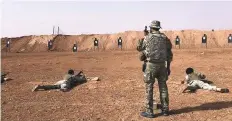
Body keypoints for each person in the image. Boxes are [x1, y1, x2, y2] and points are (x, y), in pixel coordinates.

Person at [137, 20, 173, 118]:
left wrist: (144, 36)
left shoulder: (147, 38)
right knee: (163, 88)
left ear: (151, 28)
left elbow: (139, 48)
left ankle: (150, 112)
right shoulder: (165, 38)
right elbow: (169, 53)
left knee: (149, 88)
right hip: (162, 66)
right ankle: (165, 110)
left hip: (151, 66)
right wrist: (168, 67)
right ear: (158, 28)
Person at [32, 69, 99, 92]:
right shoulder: (74, 78)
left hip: (63, 82)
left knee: (53, 86)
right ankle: (61, 89)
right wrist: (83, 76)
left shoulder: (67, 75)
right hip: (66, 85)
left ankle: (41, 87)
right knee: (65, 89)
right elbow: (82, 79)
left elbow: (75, 77)